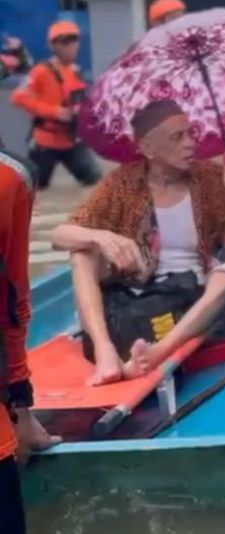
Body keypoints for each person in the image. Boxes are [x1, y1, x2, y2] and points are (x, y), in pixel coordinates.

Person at [51, 100, 225, 386]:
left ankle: (158, 353)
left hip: (191, 290)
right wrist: (102, 236)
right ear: (148, 148)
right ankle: (105, 349)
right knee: (82, 253)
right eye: (177, 137)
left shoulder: (209, 178)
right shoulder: (123, 182)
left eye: (191, 133)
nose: (190, 144)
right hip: (136, 288)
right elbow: (60, 235)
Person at [1, 147, 61, 534]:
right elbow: (11, 300)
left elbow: (10, 300)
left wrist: (19, 404)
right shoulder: (11, 175)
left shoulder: (10, 178)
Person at [10, 21, 101, 190]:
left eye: (74, 40)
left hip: (71, 141)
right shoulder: (41, 71)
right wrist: (53, 111)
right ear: (53, 46)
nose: (71, 46)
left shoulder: (76, 71)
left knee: (96, 183)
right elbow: (17, 97)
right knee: (32, 190)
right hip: (45, 143)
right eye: (65, 42)